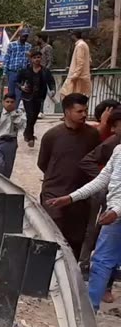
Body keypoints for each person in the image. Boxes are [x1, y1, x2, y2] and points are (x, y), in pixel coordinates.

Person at [47, 115, 121, 309]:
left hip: (115, 214)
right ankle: (90, 311)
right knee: (102, 261)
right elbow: (102, 179)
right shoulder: (118, 151)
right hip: (114, 217)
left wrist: (117, 211)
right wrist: (71, 197)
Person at [38, 92, 101, 257]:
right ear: (67, 112)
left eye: (85, 111)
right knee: (52, 235)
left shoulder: (92, 135)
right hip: (54, 192)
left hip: (80, 195)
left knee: (76, 237)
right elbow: (42, 163)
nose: (84, 115)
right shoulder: (52, 136)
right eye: (79, 111)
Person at [16, 50, 54, 147]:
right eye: (35, 58)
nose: (37, 59)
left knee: (34, 116)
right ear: (31, 59)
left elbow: (51, 82)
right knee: (30, 115)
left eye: (39, 57)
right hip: (27, 96)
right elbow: (16, 81)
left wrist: (52, 90)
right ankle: (30, 137)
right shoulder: (25, 71)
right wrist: (21, 87)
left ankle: (26, 132)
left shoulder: (45, 71)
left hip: (39, 97)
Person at [0, 93, 24, 178]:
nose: (9, 104)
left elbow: (21, 126)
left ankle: (4, 187)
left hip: (11, 143)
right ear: (3, 102)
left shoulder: (19, 115)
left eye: (12, 102)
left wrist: (13, 115)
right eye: (7, 101)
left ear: (15, 103)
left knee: (8, 168)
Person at [2, 30, 32, 106]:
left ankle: (16, 109)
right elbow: (7, 58)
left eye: (26, 36)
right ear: (19, 35)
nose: (25, 38)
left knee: (19, 92)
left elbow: (28, 60)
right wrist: (4, 72)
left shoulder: (28, 46)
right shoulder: (12, 45)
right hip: (12, 71)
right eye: (23, 36)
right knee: (11, 92)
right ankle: (10, 108)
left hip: (22, 72)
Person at [61, 31, 92, 98]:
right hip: (81, 76)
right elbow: (89, 60)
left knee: (67, 96)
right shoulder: (84, 44)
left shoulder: (80, 45)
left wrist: (75, 75)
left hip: (77, 77)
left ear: (74, 36)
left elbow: (80, 62)